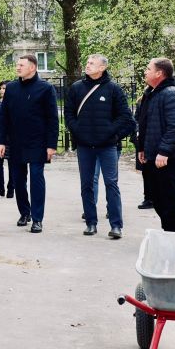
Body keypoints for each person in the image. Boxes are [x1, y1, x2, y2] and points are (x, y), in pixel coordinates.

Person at [64, 54, 137, 239]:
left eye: (92, 63)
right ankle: (90, 223)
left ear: (102, 67)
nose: (87, 66)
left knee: (111, 184)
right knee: (87, 184)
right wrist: (78, 131)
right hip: (85, 146)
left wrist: (112, 134)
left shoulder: (113, 89)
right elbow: (69, 115)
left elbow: (126, 118)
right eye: (87, 63)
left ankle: (116, 226)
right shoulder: (76, 88)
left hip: (107, 147)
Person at [0, 54, 59, 233]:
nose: (17, 67)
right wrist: (1, 141)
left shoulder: (45, 88)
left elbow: (52, 119)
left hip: (38, 143)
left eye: (21, 65)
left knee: (36, 179)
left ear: (32, 67)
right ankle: (25, 212)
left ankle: (37, 219)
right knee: (18, 180)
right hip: (16, 142)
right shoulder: (12, 88)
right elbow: (4, 118)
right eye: (17, 64)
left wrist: (51, 145)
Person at [136, 57, 175, 232]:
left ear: (159, 73)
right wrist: (141, 148)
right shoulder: (152, 92)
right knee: (156, 196)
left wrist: (164, 151)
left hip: (165, 156)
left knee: (168, 194)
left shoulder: (171, 93)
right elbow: (146, 123)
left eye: (148, 68)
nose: (145, 71)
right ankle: (168, 231)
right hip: (152, 154)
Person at [134, 82, 155, 211]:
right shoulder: (142, 100)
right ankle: (148, 198)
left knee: (154, 171)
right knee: (146, 171)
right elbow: (136, 118)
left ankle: (155, 197)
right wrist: (137, 131)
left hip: (154, 139)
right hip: (142, 140)